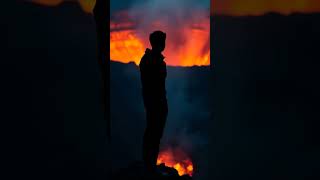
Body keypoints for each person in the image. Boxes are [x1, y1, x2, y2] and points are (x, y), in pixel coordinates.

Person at [139, 30, 168, 173]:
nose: (164, 44)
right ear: (159, 43)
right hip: (155, 103)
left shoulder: (149, 60)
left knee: (154, 133)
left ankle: (149, 164)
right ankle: (149, 166)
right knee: (153, 133)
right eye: (163, 41)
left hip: (155, 103)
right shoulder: (152, 61)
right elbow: (154, 86)